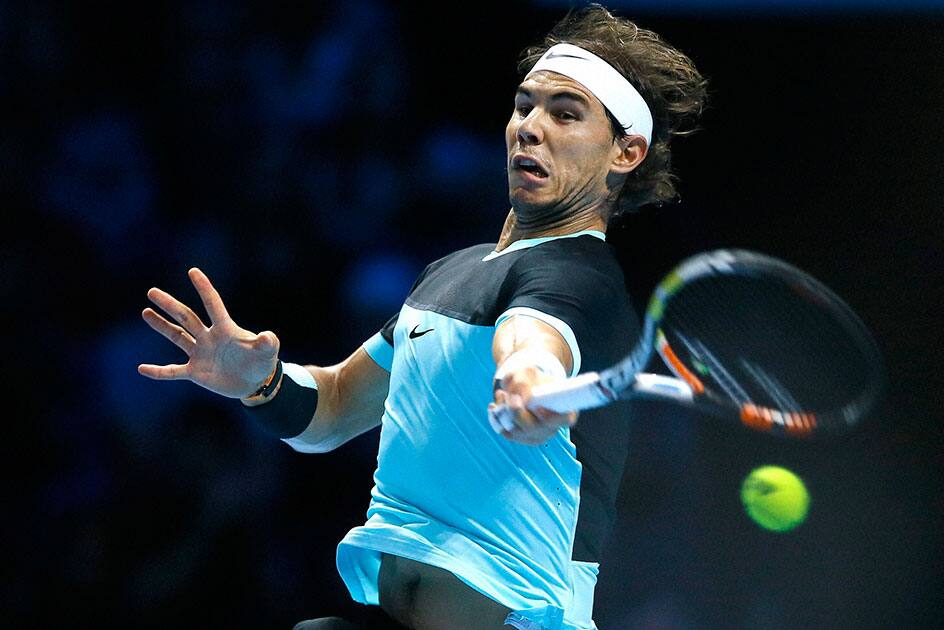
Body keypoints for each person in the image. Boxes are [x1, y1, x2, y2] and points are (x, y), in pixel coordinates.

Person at [138, 5, 706, 629]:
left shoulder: (579, 278)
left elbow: (534, 341)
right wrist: (261, 384)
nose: (530, 128)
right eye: (525, 106)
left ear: (626, 151)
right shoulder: (451, 271)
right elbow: (330, 409)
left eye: (565, 115)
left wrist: (529, 382)